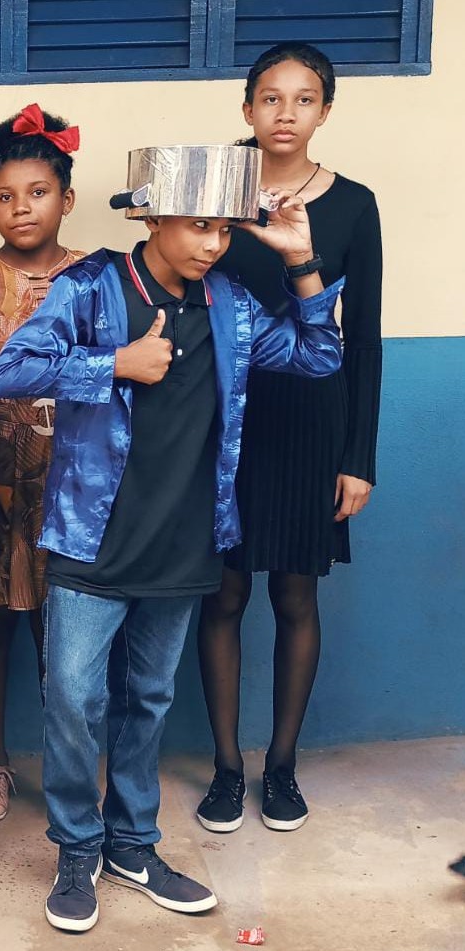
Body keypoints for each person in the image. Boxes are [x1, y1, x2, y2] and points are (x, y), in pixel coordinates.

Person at [0, 143, 343, 933]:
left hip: (183, 541)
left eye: (224, 228)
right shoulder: (91, 286)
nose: (213, 243)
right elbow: (10, 370)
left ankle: (131, 845)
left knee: (145, 699)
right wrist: (114, 362)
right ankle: (76, 847)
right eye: (197, 225)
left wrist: (300, 260)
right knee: (73, 698)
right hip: (91, 539)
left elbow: (319, 355)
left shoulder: (230, 304)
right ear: (151, 217)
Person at [195, 43, 384, 834]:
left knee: (294, 593)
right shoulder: (212, 188)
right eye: (269, 98)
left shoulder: (353, 204)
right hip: (221, 417)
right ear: (246, 107)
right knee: (223, 593)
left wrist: (357, 458)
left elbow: (362, 337)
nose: (284, 113)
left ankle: (280, 767)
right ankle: (223, 768)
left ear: (324, 112)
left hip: (310, 418)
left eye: (302, 99)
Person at [0, 104, 86, 823]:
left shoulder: (95, 277)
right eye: (5, 195)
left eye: (37, 192)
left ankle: (69, 769)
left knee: (66, 631)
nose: (20, 207)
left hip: (72, 484)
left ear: (66, 200)